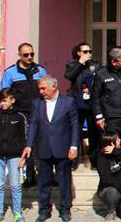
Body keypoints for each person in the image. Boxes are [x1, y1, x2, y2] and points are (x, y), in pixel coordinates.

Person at [22, 75, 79, 222]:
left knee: (64, 181)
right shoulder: (37, 103)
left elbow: (75, 126)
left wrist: (74, 146)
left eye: (43, 88)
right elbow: (33, 124)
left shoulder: (68, 102)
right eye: (39, 88)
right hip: (43, 148)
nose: (40, 91)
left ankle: (65, 209)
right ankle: (44, 210)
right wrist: (29, 145)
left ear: (53, 87)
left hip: (63, 148)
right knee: (43, 182)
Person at [0, 42, 46, 187]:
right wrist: (4, 115)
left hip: (40, 113)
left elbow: (48, 90)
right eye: (26, 55)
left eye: (32, 54)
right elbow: (4, 95)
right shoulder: (11, 73)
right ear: (19, 55)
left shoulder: (40, 71)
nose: (30, 57)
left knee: (44, 144)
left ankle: (46, 175)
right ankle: (29, 177)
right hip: (21, 114)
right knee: (26, 145)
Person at [90, 47, 121, 162]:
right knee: (113, 147)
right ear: (113, 62)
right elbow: (95, 97)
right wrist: (98, 116)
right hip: (111, 118)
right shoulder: (101, 74)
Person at [64, 42, 101, 166]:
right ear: (79, 53)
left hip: (91, 104)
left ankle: (94, 161)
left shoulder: (95, 65)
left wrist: (90, 90)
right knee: (76, 131)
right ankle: (74, 161)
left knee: (93, 133)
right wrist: (80, 63)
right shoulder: (72, 65)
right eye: (85, 52)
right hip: (76, 103)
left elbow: (99, 81)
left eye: (90, 51)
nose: (88, 54)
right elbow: (69, 76)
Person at [0, 89, 24, 222]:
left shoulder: (19, 117)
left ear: (12, 100)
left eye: (4, 100)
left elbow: (23, 139)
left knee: (15, 185)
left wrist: (23, 157)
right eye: (1, 101)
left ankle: (17, 212)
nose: (2, 103)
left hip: (14, 156)